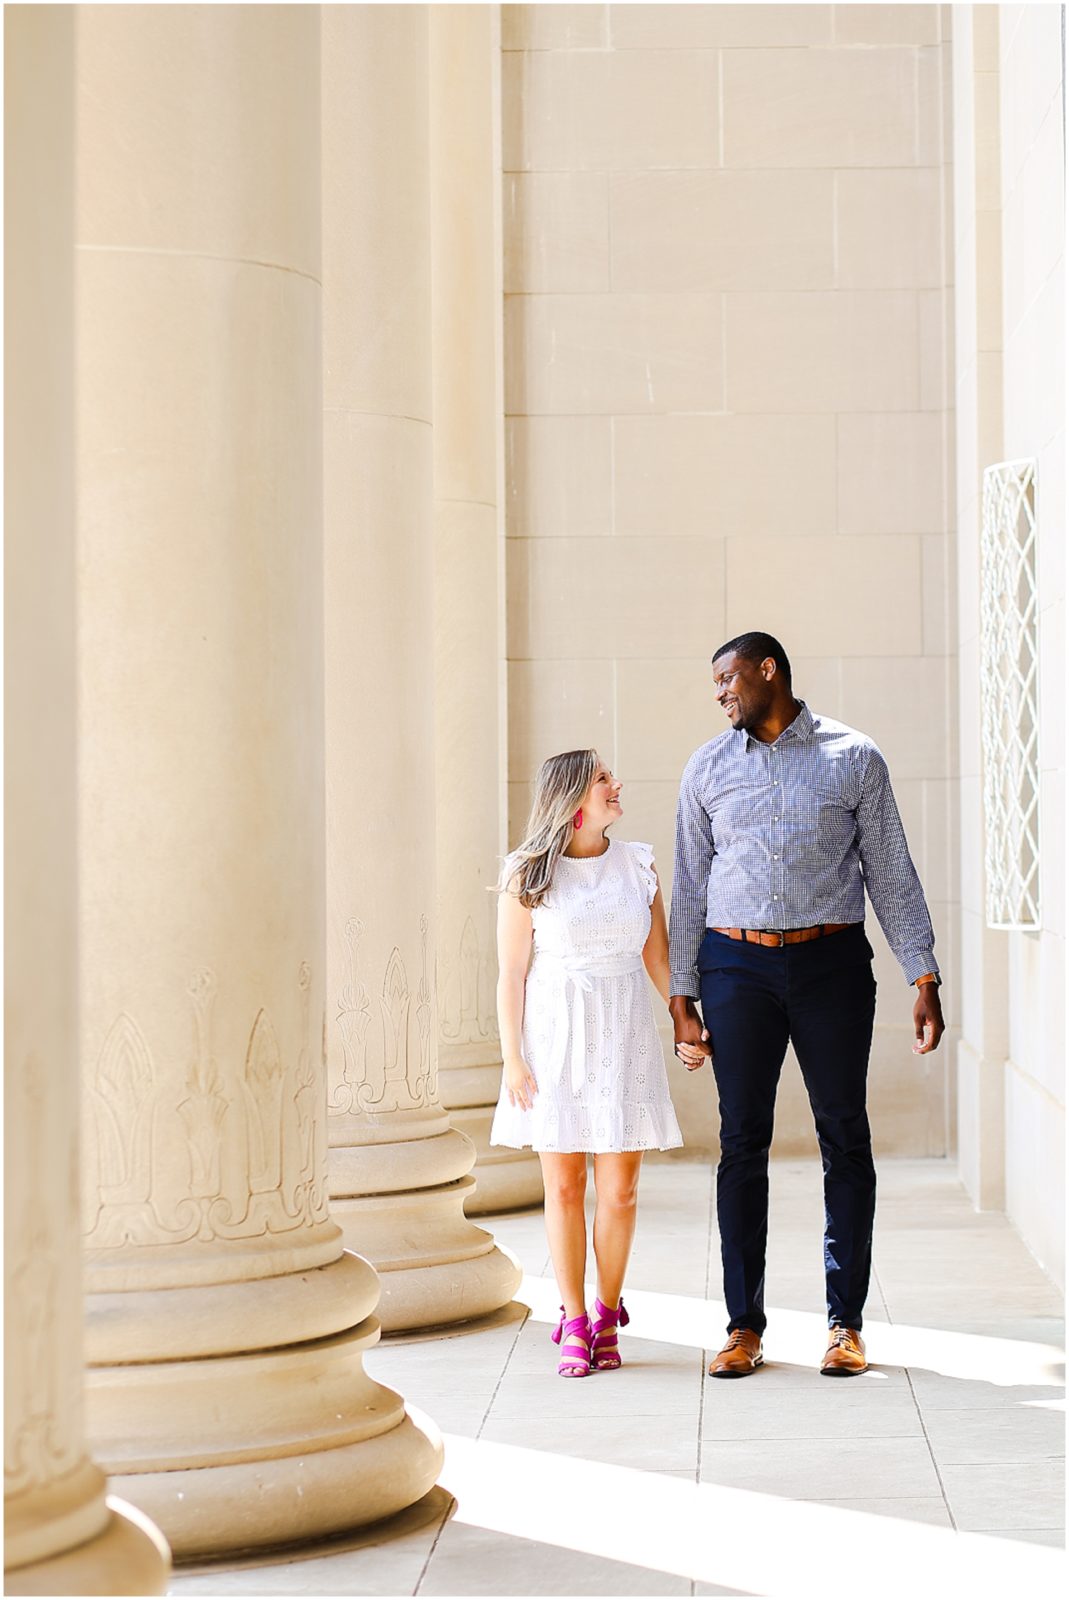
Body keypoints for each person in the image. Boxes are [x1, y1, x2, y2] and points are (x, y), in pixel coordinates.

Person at [669, 631, 945, 1379]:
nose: (721, 692)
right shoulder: (707, 767)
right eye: (714, 682)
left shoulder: (852, 757)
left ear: (769, 671)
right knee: (741, 1143)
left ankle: (844, 1326)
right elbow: (689, 888)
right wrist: (681, 996)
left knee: (843, 1137)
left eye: (728, 677)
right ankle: (741, 1327)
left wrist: (923, 976)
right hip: (735, 967)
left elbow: (889, 871)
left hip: (830, 964)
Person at [491, 749, 693, 1377]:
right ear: (575, 798)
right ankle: (572, 1317)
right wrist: (513, 1060)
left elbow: (659, 960)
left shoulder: (638, 865)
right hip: (556, 1039)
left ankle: (608, 1311)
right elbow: (511, 974)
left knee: (621, 1191)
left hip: (624, 1031)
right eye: (606, 778)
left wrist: (687, 1020)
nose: (618, 784)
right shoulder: (527, 872)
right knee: (564, 1186)